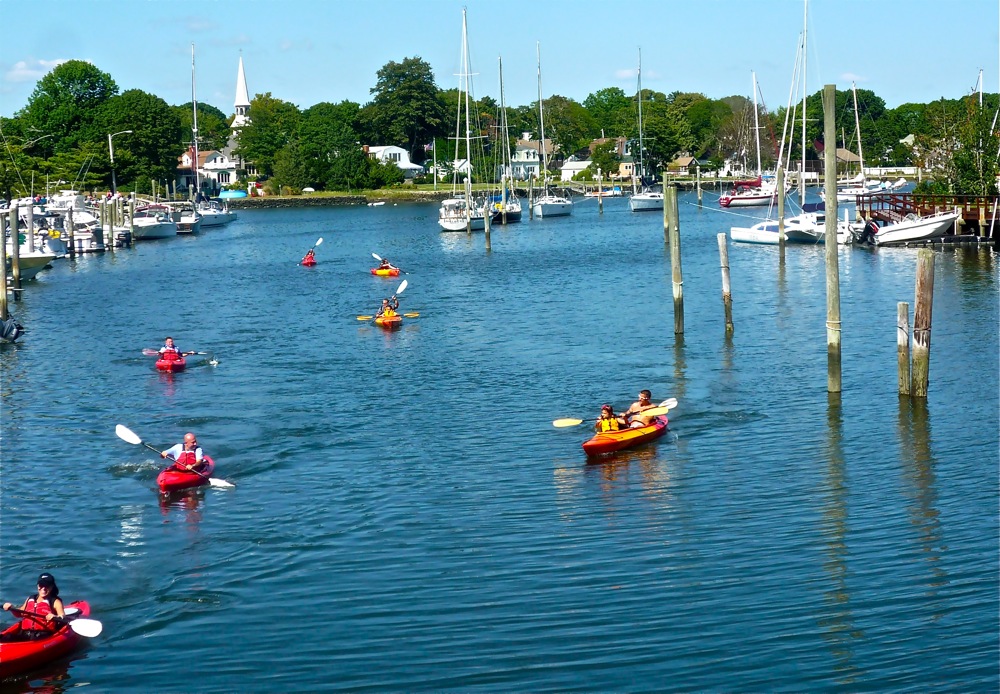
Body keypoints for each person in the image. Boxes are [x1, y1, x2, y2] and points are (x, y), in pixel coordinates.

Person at [1, 573, 65, 641]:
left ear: (52, 587)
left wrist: (55, 617)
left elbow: (62, 616)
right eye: (41, 585)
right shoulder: (30, 598)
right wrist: (11, 608)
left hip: (42, 635)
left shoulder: (55, 601)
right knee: (8, 637)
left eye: (47, 586)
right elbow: (20, 613)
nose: (43, 588)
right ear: (37, 586)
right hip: (25, 634)